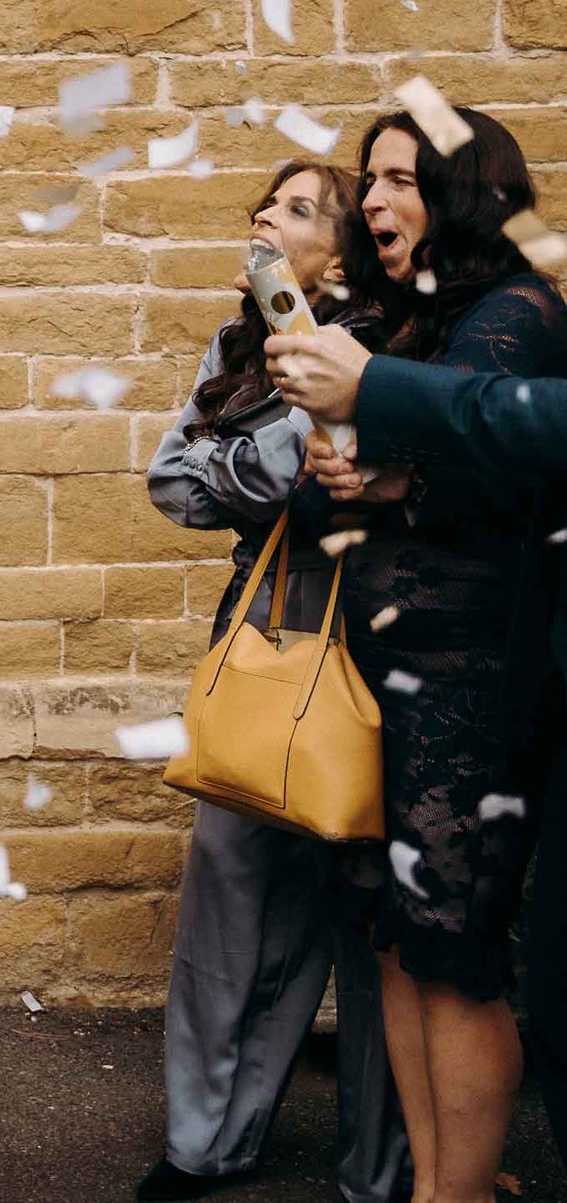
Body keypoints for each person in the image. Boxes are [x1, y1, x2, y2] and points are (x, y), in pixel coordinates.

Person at [285, 109, 567, 1203]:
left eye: (401, 179)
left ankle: (460, 1190)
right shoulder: (402, 322)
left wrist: (402, 477)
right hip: (387, 675)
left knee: (452, 951)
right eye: (370, 179)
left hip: (471, 680)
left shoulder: (512, 315)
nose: (374, 200)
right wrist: (340, 474)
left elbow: (518, 463)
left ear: (461, 194)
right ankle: (431, 1187)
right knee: (398, 939)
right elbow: (324, 499)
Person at [137, 162, 406, 1203]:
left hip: (378, 648)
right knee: (230, 893)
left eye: (294, 208)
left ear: (337, 252)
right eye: (265, 202)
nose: (263, 215)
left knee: (371, 915)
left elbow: (344, 463)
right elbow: (172, 480)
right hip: (263, 637)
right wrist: (270, 465)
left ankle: (379, 1162)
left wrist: (259, 464)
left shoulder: (387, 347)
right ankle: (206, 1142)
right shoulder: (234, 343)